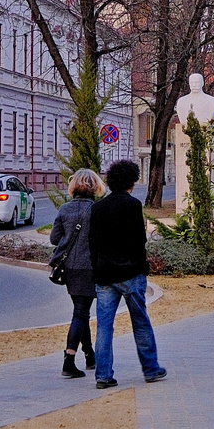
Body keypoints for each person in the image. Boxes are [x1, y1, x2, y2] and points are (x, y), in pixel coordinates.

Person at [87, 159, 166, 389]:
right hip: (131, 272)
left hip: (104, 274)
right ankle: (151, 369)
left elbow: (93, 243)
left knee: (104, 326)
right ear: (131, 181)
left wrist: (97, 267)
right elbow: (138, 241)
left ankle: (103, 375)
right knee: (140, 322)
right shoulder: (133, 205)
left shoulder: (98, 208)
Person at [50, 168, 102, 379]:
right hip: (89, 267)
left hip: (69, 267)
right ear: (96, 187)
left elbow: (54, 239)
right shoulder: (97, 210)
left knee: (81, 310)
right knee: (81, 312)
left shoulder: (64, 209)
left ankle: (89, 355)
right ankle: (69, 359)